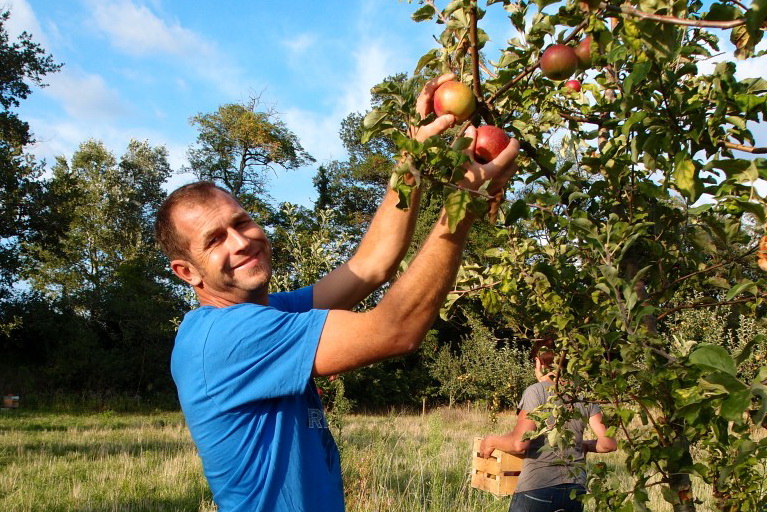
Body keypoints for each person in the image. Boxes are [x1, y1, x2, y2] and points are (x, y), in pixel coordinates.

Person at [153, 73, 520, 512]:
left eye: (242, 222)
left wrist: (413, 158)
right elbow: (397, 330)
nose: (241, 241)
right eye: (215, 240)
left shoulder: (268, 313)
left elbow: (370, 266)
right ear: (186, 272)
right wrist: (462, 206)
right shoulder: (228, 339)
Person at [479, 339, 617, 512]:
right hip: (575, 489)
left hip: (538, 488)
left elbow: (519, 443)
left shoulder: (536, 391)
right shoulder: (581, 396)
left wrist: (491, 441)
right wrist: (584, 445)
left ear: (539, 361)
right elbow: (608, 444)